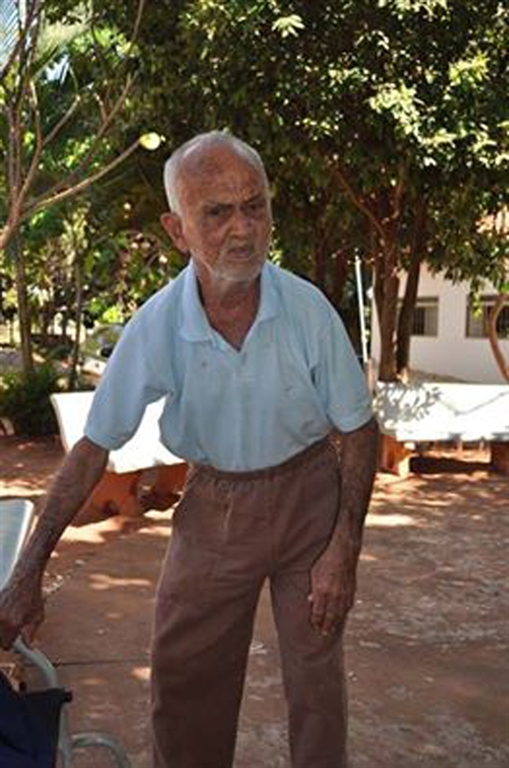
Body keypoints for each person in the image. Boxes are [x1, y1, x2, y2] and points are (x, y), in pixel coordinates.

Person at [0, 131, 379, 768]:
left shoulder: (307, 310)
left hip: (310, 494)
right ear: (177, 230)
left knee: (316, 679)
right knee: (185, 679)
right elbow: (94, 446)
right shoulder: (157, 326)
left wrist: (345, 547)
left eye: (254, 206)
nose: (243, 229)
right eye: (217, 212)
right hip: (214, 508)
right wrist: (28, 571)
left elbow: (358, 428)